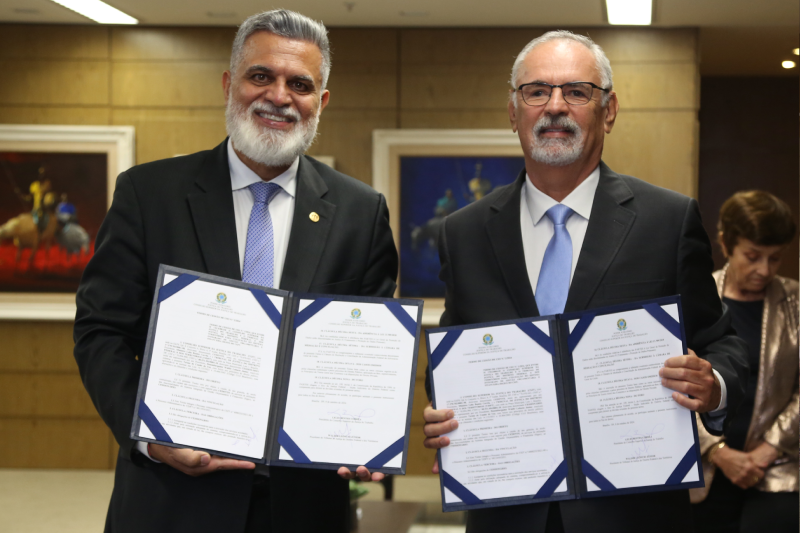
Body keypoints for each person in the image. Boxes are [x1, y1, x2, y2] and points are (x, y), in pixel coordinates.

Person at [74, 10, 395, 533]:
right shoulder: (148, 195)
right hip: (171, 502)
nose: (279, 96)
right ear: (229, 84)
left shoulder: (362, 213)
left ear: (322, 102)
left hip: (305, 506)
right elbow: (101, 331)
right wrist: (148, 435)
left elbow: (369, 356)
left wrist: (364, 432)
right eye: (261, 76)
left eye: (300, 84)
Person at [422, 30, 749, 533]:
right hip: (507, 513)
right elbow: (459, 350)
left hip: (633, 514)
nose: (555, 106)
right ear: (514, 112)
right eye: (536, 91)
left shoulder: (667, 220)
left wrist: (714, 384)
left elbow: (721, 341)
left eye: (576, 91)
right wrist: (444, 410)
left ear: (609, 110)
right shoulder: (463, 232)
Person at [691, 190, 798, 533]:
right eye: (752, 257)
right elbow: (671, 385)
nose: (764, 270)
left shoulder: (795, 302)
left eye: (775, 259)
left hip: (775, 471)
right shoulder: (695, 299)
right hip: (703, 471)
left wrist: (767, 451)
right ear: (725, 244)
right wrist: (718, 451)